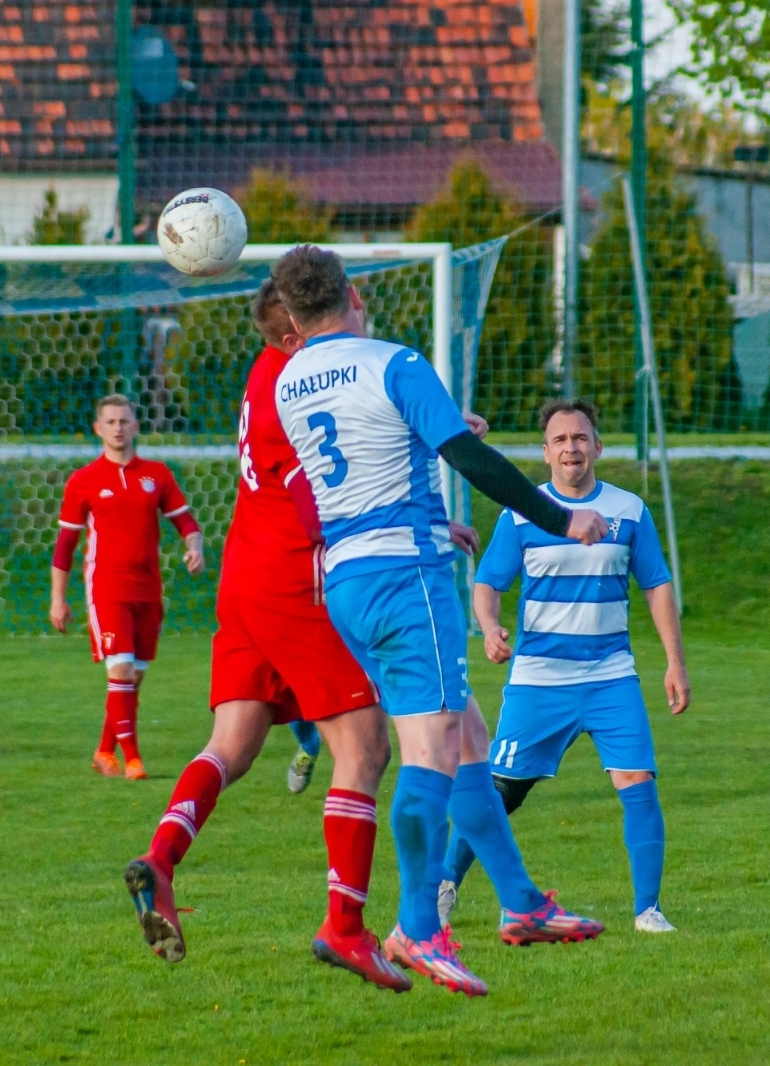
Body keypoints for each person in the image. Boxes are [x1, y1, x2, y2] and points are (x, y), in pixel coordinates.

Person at [273, 246, 608, 997]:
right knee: (432, 748)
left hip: (348, 581)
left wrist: (437, 435)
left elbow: (374, 454)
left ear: (292, 318)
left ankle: (521, 903)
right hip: (407, 576)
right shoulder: (396, 362)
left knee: (469, 741)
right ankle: (418, 928)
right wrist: (559, 518)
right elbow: (468, 460)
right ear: (354, 294)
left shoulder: (290, 382)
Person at [122, 280, 413, 992]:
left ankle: (160, 860)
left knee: (234, 744)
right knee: (366, 747)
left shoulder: (265, 370)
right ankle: (344, 929)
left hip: (245, 573)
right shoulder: (300, 379)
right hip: (295, 579)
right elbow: (315, 494)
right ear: (296, 330)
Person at [439, 399, 690, 935]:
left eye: (580, 438)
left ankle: (648, 910)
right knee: (501, 791)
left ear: (598, 447)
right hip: (539, 680)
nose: (571, 447)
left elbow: (657, 586)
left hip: (611, 676)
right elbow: (488, 584)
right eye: (560, 440)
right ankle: (444, 885)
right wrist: (489, 626)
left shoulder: (629, 511)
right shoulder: (522, 512)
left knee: (638, 781)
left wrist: (675, 662)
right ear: (546, 453)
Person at [50, 394, 204, 781]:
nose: (118, 428)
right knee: (119, 670)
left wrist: (194, 548)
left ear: (136, 426)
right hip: (107, 588)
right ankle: (133, 760)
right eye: (111, 422)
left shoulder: (157, 475)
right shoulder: (84, 481)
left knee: (133, 677)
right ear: (97, 429)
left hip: (148, 590)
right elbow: (65, 546)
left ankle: (104, 751)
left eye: (124, 421)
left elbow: (186, 522)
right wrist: (58, 599)